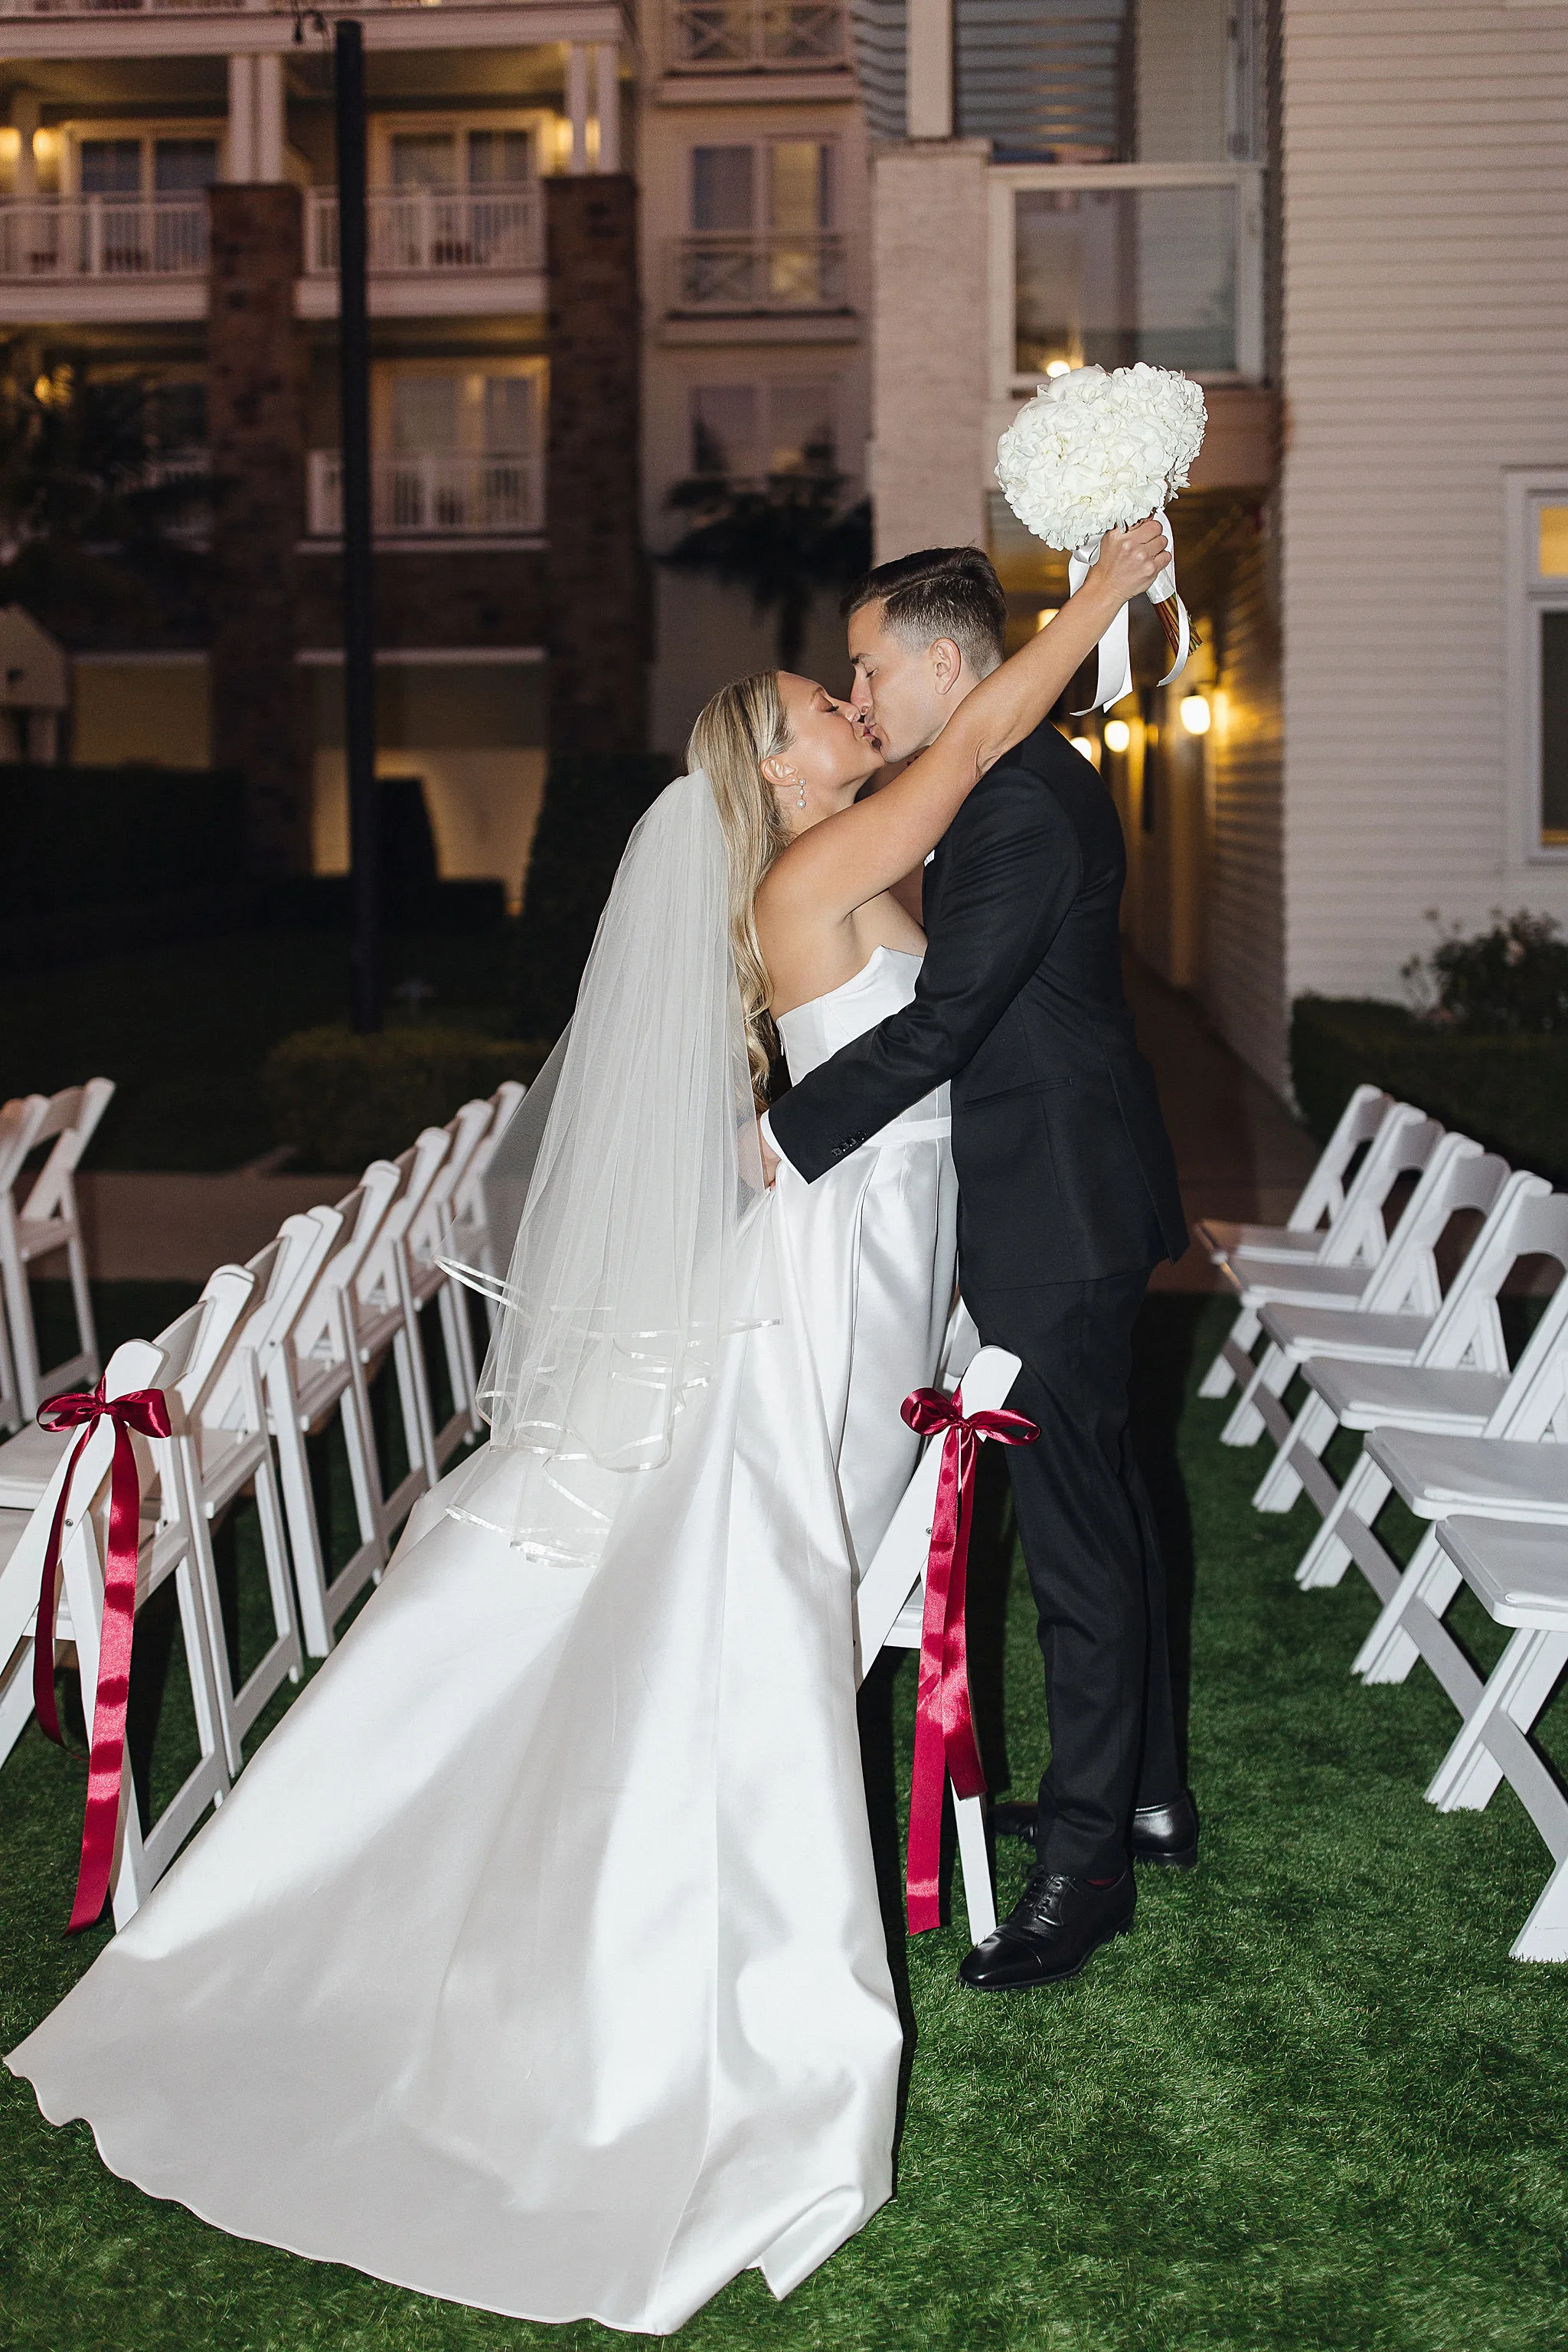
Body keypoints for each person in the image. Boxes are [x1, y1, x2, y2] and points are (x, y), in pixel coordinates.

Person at [8, 524, 1167, 2332]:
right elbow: (958, 760)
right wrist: (1096, 600)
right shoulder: (818, 864)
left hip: (883, 1251)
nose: (850, 705)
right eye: (818, 702)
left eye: (853, 682)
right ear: (773, 774)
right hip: (844, 1269)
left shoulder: (828, 850)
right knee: (765, 1554)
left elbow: (962, 824)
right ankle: (738, 1949)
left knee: (780, 1554)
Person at [762, 545, 1194, 1997]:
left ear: (946, 669)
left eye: (870, 668)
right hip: (1054, 1195)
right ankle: (1139, 1794)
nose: (863, 696)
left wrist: (791, 1129)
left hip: (1057, 1211)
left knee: (1077, 1535)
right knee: (1111, 1502)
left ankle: (1085, 1867)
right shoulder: (993, 777)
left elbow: (946, 1022)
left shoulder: (1012, 807)